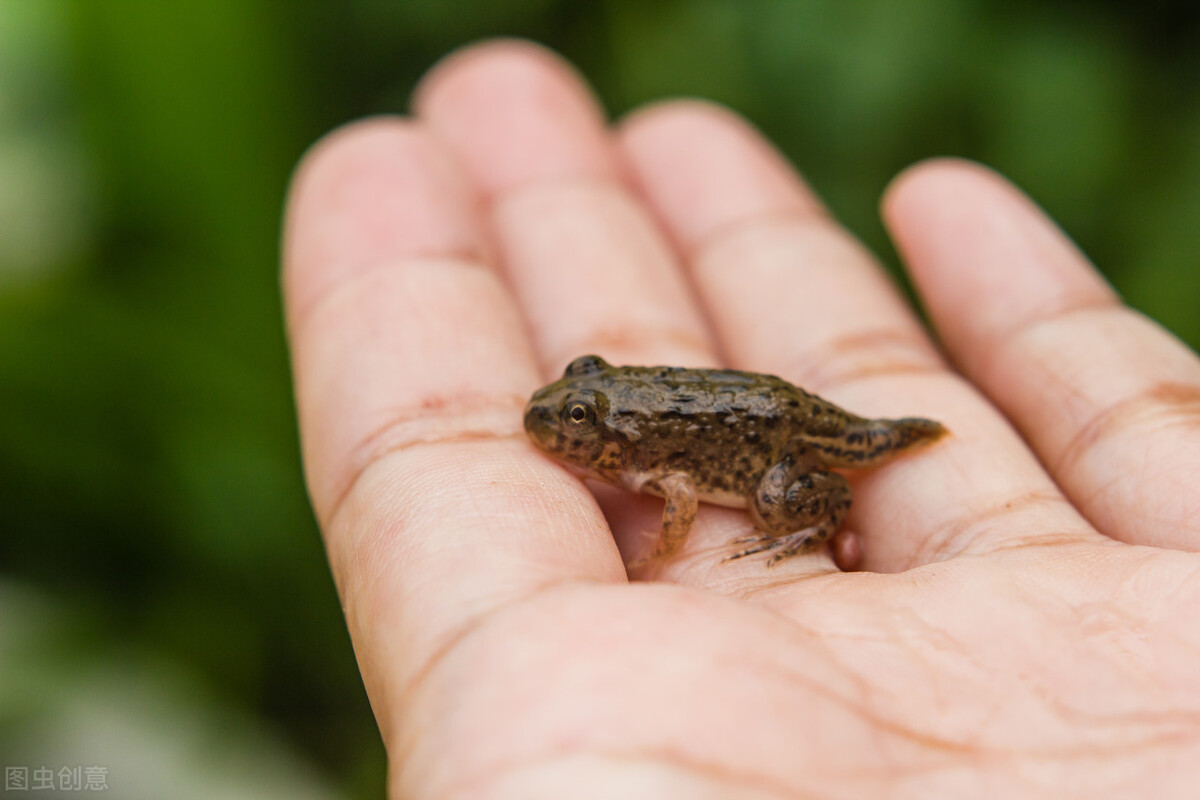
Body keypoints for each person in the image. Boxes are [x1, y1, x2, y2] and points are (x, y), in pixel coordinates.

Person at [281, 39, 1200, 798]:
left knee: (778, 500)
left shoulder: (652, 461)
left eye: (582, 418)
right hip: (753, 400)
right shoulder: (620, 436)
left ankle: (822, 516)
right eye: (578, 406)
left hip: (772, 428)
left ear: (612, 436)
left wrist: (657, 559)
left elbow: (679, 496)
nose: (565, 424)